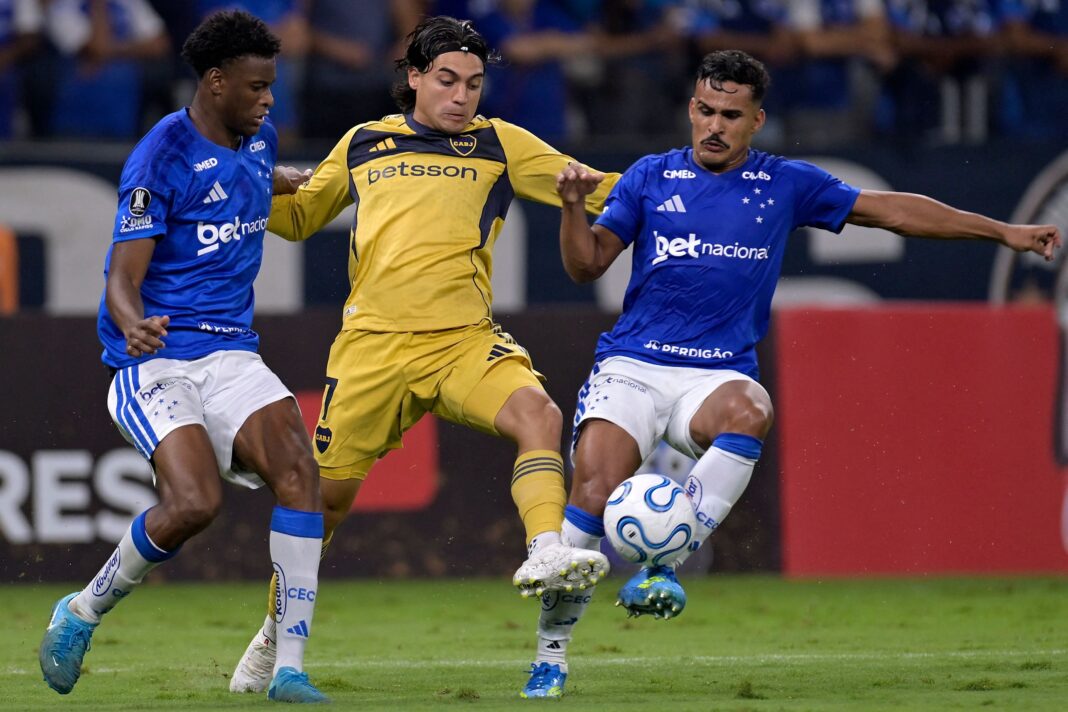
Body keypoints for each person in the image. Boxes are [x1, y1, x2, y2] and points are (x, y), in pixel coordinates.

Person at [546, 48, 1061, 696]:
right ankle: (551, 653)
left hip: (715, 375)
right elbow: (586, 265)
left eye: (730, 115)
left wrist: (1001, 232)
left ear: (756, 120)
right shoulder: (649, 177)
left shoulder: (786, 184)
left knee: (750, 412)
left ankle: (664, 558)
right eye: (705, 110)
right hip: (633, 366)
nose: (714, 125)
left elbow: (895, 210)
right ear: (689, 107)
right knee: (590, 497)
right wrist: (571, 209)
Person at [226, 15, 615, 700]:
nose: (462, 96)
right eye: (446, 80)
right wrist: (249, 185)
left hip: (464, 340)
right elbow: (300, 218)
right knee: (322, 507)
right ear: (413, 76)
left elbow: (597, 185)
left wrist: (677, 189)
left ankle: (546, 550)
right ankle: (270, 641)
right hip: (372, 353)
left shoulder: (500, 144)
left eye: (473, 83)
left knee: (539, 414)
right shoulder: (365, 142)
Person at [38, 10, 329, 704]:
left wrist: (301, 178)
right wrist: (135, 327)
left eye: (272, 88)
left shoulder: (260, 140)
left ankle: (288, 670)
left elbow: (259, 178)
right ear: (216, 81)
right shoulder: (160, 156)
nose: (268, 100)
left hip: (232, 353)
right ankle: (81, 611)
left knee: (300, 474)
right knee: (194, 503)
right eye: (257, 88)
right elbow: (120, 276)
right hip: (157, 358)